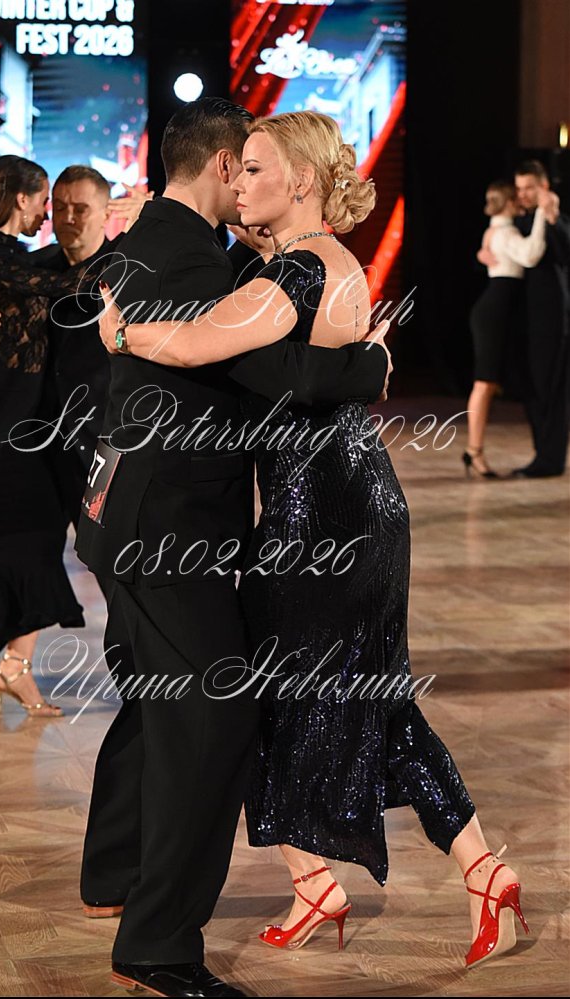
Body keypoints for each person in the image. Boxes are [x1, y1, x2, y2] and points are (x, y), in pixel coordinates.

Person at [112, 110, 530, 972]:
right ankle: (445, 876)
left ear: (300, 180)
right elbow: (289, 361)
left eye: (254, 167)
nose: (239, 182)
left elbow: (197, 345)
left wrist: (119, 329)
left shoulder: (298, 272)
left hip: (318, 517)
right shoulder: (321, 261)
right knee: (361, 698)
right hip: (356, 499)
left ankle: (370, 878)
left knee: (253, 697)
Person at [74, 96, 391, 998]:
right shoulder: (190, 258)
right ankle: (157, 945)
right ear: (222, 167)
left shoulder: (148, 236)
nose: (248, 182)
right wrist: (368, 364)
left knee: (157, 701)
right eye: (244, 166)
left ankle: (115, 871)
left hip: (123, 512)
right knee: (214, 718)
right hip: (165, 529)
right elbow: (272, 372)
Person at [0, 165, 136, 692]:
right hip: (31, 440)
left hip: (97, 443)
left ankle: (140, 673)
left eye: (81, 208)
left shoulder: (128, 272)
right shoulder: (32, 264)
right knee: (9, 545)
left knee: (113, 560)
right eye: (61, 206)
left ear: (105, 213)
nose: (68, 217)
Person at [464, 179, 547, 477]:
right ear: (509, 203)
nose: (522, 200)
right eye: (517, 197)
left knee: (489, 383)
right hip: (494, 312)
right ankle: (473, 451)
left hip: (497, 311)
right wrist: (541, 214)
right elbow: (531, 254)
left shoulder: (496, 230)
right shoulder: (506, 232)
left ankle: (474, 450)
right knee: (484, 383)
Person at [510, 160, 570, 477]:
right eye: (519, 188)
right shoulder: (519, 220)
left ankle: (550, 459)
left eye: (529, 188)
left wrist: (553, 217)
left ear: (544, 187)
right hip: (526, 317)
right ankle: (543, 455)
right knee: (534, 386)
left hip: (550, 316)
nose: (523, 194)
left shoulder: (553, 218)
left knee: (551, 387)